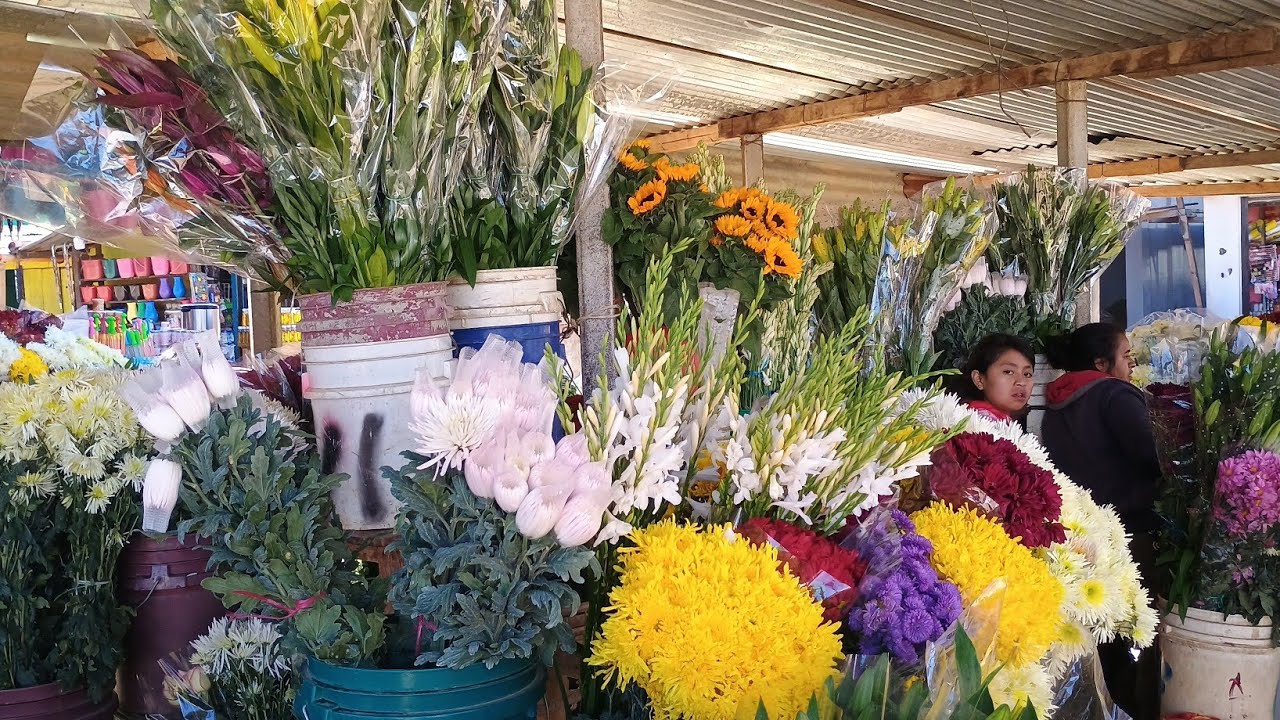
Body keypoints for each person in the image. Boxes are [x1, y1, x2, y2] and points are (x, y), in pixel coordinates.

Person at [1041, 323, 1161, 720]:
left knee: (1105, 636)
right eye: (1126, 355)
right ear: (1100, 362)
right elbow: (1152, 453)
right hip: (1132, 528)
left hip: (1087, 533)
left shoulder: (1059, 402)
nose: (1132, 363)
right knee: (1140, 632)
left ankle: (1113, 706)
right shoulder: (1113, 393)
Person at [956, 333, 1035, 422]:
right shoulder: (981, 426)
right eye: (1008, 372)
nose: (1022, 382)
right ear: (979, 379)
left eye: (1027, 374)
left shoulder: (1001, 421)